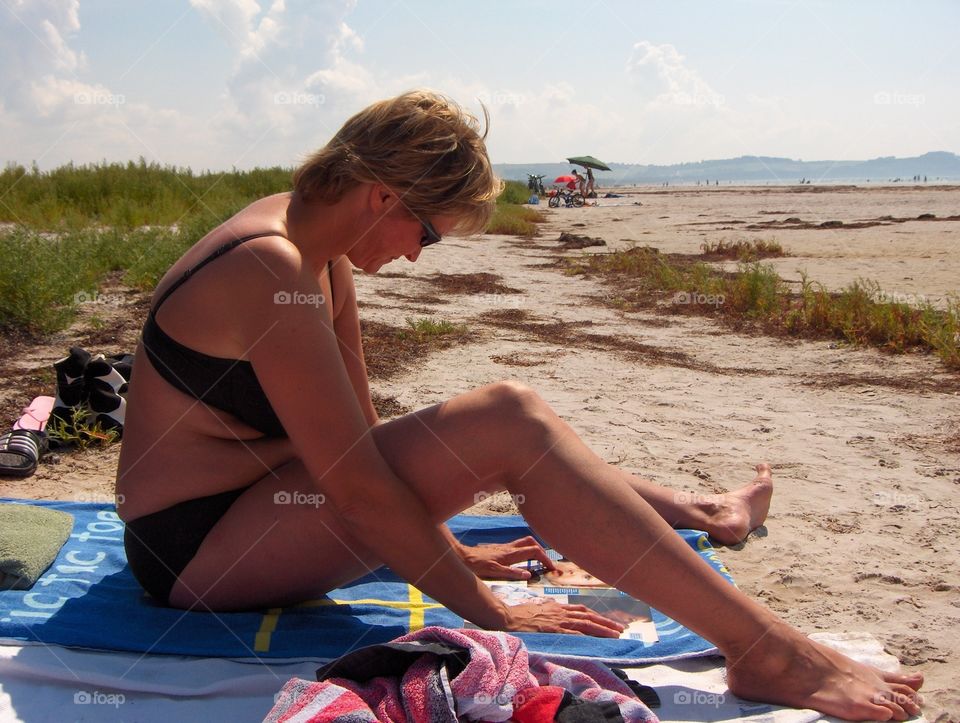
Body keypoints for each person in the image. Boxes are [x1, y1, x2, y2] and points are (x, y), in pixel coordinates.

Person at [116, 90, 922, 720]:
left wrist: (454, 552)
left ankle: (712, 534)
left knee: (508, 420)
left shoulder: (316, 257)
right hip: (193, 549)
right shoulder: (270, 265)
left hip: (255, 514)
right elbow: (359, 487)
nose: (413, 255)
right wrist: (491, 611)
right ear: (382, 197)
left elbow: (361, 440)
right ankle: (765, 648)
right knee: (508, 422)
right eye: (427, 233)